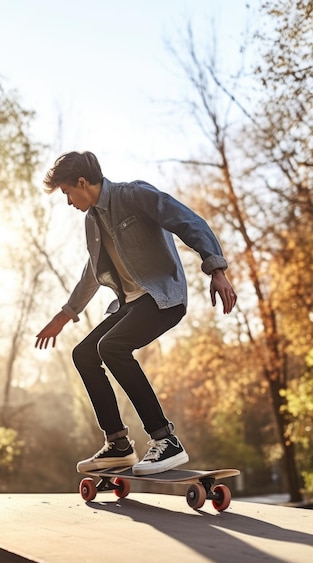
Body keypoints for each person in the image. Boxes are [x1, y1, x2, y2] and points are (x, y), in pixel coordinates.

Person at [35, 151, 237, 476]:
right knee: (84, 353)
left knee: (111, 347)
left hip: (162, 297)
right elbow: (92, 271)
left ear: (82, 183)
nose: (68, 202)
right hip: (130, 304)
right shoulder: (92, 221)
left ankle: (165, 439)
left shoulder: (134, 194)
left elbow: (188, 221)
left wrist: (216, 269)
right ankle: (118, 445)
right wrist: (65, 314)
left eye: (67, 192)